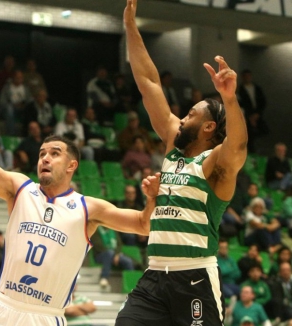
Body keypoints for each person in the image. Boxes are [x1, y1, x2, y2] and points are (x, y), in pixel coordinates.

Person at [0, 78, 160, 325]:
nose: (45, 158)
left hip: (44, 317)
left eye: (54, 154)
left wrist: (151, 200)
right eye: (42, 154)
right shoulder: (20, 189)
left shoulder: (88, 208)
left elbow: (143, 225)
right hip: (2, 308)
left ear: (72, 165)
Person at [117, 0, 248, 324]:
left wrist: (229, 99)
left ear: (207, 127)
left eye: (190, 115)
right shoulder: (173, 149)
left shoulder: (214, 164)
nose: (181, 118)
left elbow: (239, 145)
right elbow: (148, 83)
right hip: (154, 276)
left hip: (194, 278)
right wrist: (131, 29)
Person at [238, 69, 268, 153]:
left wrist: (257, 113)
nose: (247, 78)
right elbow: (241, 104)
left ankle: (261, 151)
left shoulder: (257, 88)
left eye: (248, 76)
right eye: (245, 76)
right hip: (247, 116)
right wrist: (250, 116)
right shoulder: (240, 90)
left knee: (263, 132)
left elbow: (262, 101)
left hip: (258, 114)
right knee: (249, 135)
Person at [0, 70, 32, 136]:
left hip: (22, 109)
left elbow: (30, 101)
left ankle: (27, 135)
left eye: (21, 77)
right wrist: (13, 105)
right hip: (10, 109)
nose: (19, 79)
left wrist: (23, 105)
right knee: (9, 108)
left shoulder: (26, 88)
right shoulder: (7, 88)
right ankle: (11, 134)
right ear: (13, 77)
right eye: (17, 77)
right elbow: (2, 101)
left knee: (31, 108)